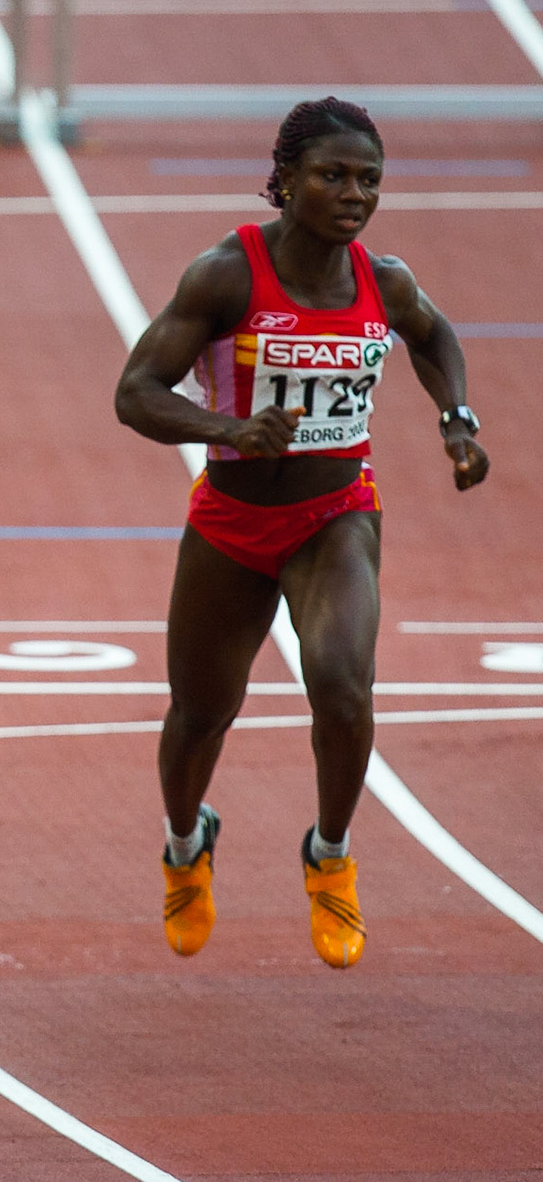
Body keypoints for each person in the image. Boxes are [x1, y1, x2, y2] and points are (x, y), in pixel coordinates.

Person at [114, 97, 488, 970]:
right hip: (233, 522)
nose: (353, 193)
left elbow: (433, 338)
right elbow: (136, 393)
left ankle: (329, 856)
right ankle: (184, 843)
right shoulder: (226, 276)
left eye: (368, 180)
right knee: (202, 714)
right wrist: (227, 430)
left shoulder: (382, 281)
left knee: (342, 685)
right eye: (333, 175)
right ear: (283, 181)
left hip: (336, 517)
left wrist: (458, 420)